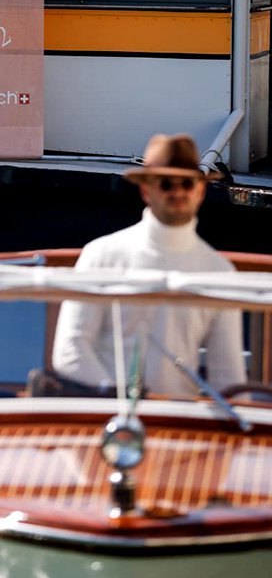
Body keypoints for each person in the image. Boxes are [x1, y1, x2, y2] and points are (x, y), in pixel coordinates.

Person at [51, 133, 247, 397]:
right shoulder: (101, 255)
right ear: (146, 190)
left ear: (200, 192)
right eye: (166, 184)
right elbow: (70, 350)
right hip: (110, 421)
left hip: (179, 426)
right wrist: (117, 396)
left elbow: (229, 376)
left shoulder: (220, 272)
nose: (177, 192)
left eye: (187, 184)